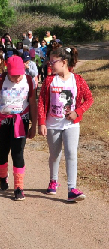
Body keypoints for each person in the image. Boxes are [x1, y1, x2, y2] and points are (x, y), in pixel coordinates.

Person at [38, 47, 94, 201]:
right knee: (55, 155)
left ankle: (72, 189)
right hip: (53, 124)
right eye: (49, 61)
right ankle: (53, 181)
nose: (49, 64)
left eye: (53, 61)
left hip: (71, 125)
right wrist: (41, 122)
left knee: (71, 154)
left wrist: (78, 112)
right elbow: (42, 101)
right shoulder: (49, 80)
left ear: (63, 62)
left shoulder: (78, 80)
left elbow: (89, 99)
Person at [0, 56, 37, 201]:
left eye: (19, 75)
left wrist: (34, 126)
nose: (17, 78)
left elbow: (32, 104)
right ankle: (3, 177)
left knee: (18, 153)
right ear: (8, 71)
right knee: (2, 153)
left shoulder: (29, 81)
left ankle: (19, 187)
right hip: (2, 122)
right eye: (14, 75)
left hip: (21, 121)